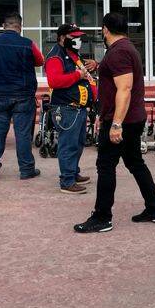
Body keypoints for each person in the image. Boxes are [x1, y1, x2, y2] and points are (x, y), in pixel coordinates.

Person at [74, 12, 155, 234]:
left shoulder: (119, 52)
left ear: (105, 29)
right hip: (130, 118)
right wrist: (100, 66)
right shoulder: (123, 49)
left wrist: (115, 124)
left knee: (106, 166)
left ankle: (102, 217)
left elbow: (124, 88)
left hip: (122, 120)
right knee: (135, 163)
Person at [0, 13, 45, 181]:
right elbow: (40, 61)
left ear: (4, 26)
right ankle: (26, 170)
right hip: (23, 95)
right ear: (20, 27)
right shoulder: (28, 44)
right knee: (23, 134)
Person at [44, 23, 98, 194]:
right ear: (62, 37)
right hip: (66, 108)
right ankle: (67, 181)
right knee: (68, 145)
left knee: (78, 142)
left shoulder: (72, 53)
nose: (78, 40)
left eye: (79, 37)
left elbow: (84, 73)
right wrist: (77, 75)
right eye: (73, 37)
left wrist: (93, 65)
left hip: (78, 108)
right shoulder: (55, 57)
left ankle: (73, 173)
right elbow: (55, 81)